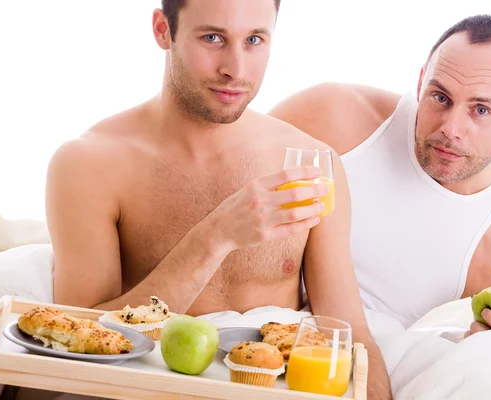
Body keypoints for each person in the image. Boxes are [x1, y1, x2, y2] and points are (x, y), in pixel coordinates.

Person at [45, 0, 390, 398]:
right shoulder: (90, 163)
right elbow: (77, 344)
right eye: (213, 38)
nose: (236, 70)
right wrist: (216, 235)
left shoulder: (311, 163)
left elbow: (350, 335)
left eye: (255, 40)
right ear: (162, 30)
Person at [269, 14, 491, 346]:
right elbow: (221, 164)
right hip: (244, 324)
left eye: (481, 110)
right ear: (421, 83)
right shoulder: (337, 116)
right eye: (440, 97)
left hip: (340, 367)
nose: (450, 128)